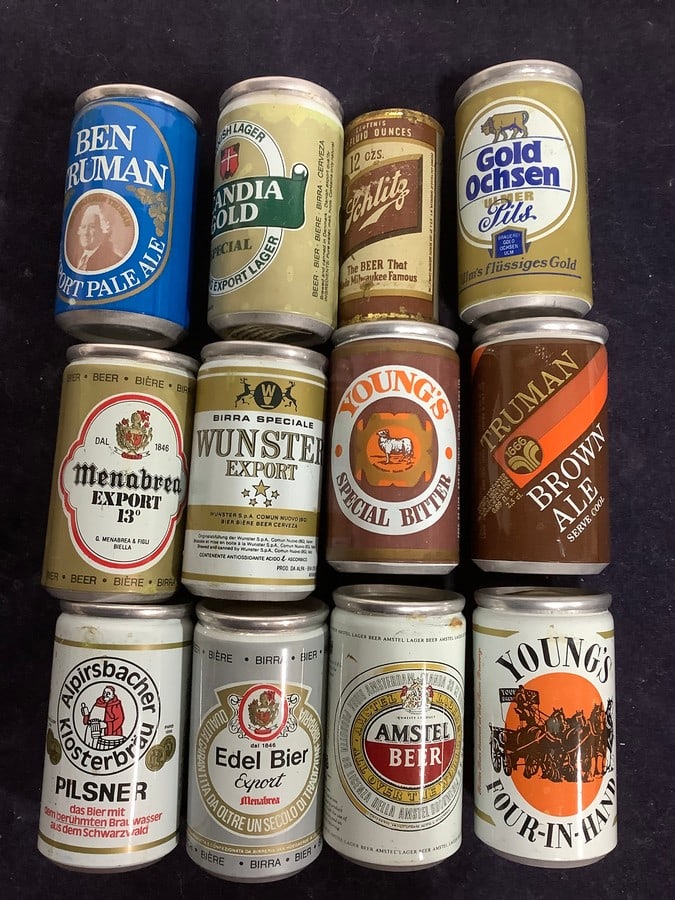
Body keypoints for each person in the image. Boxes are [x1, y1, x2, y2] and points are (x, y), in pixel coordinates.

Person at [76, 204, 123, 271]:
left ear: (102, 231)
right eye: (83, 227)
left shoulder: (114, 261)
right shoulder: (77, 257)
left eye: (92, 227)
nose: (86, 233)